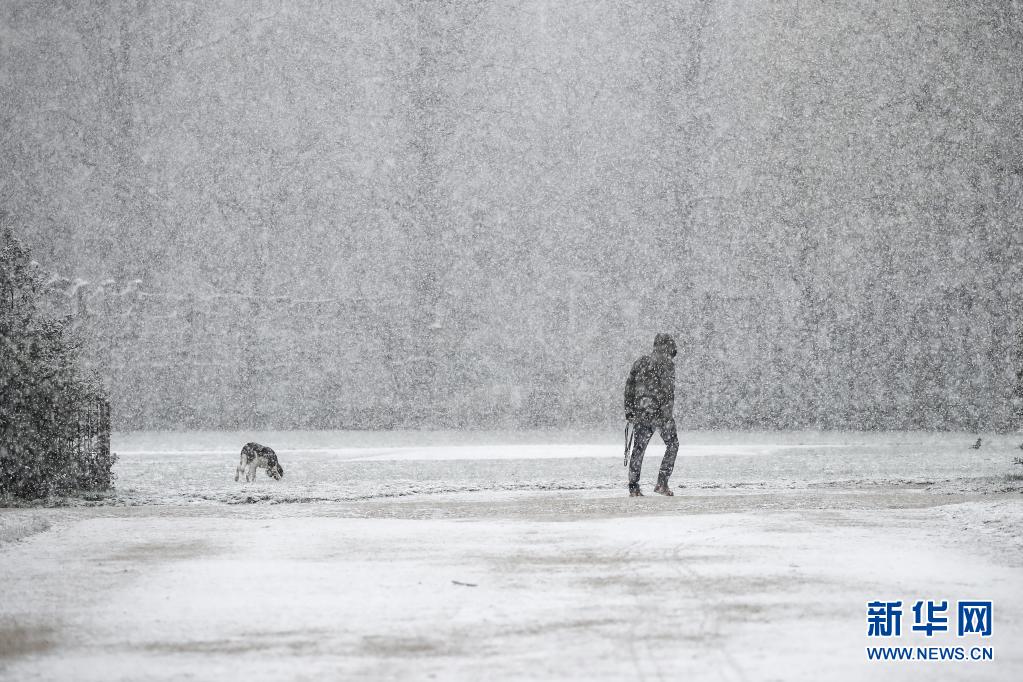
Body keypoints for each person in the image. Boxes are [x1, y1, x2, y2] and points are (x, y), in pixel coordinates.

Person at [623, 333, 679, 497]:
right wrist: (666, 412)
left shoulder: (640, 362)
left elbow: (629, 387)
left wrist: (629, 410)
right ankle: (662, 483)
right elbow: (668, 392)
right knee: (673, 444)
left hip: (641, 412)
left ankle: (634, 487)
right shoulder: (668, 365)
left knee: (638, 449)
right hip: (661, 415)